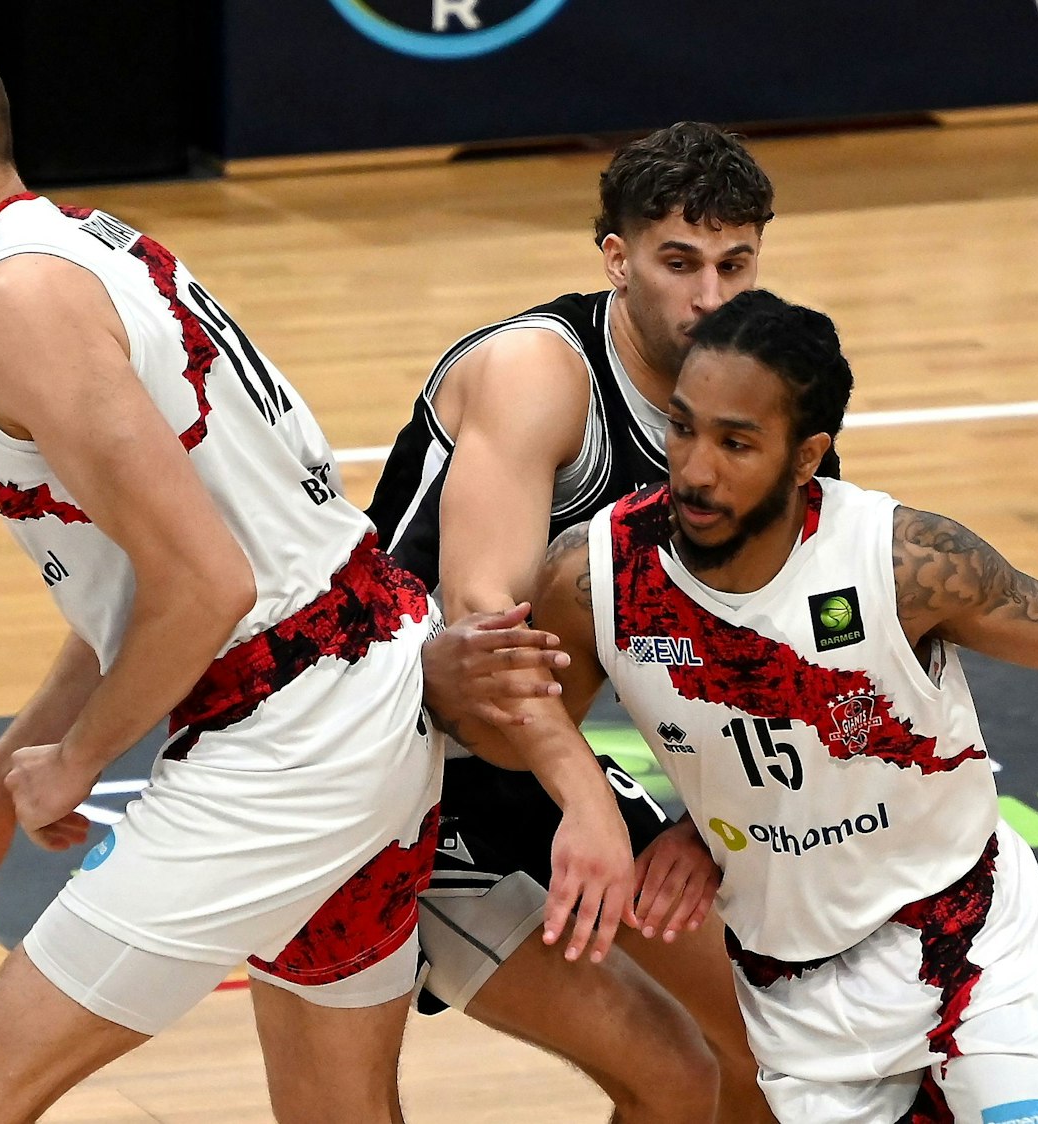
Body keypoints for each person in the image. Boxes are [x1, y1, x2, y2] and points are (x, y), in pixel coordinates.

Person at [0, 23, 596, 1124]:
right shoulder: (91, 244)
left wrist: (76, 762)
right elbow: (137, 598)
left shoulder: (16, 303)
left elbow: (202, 586)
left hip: (291, 747)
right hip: (367, 692)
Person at [435, 289, 1038, 1123]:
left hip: (971, 939)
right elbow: (517, 725)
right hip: (797, 990)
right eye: (685, 428)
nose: (694, 467)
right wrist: (589, 795)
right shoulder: (598, 576)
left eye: (737, 443)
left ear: (806, 455)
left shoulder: (907, 564)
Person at [366, 122, 778, 1121]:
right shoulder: (539, 373)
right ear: (617, 258)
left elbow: (768, 640)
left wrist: (703, 820)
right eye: (680, 262)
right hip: (392, 772)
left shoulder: (755, 396)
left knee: (774, 1051)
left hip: (527, 764)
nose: (711, 296)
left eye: (736, 263)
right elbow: (480, 633)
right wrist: (591, 802)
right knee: (677, 1074)